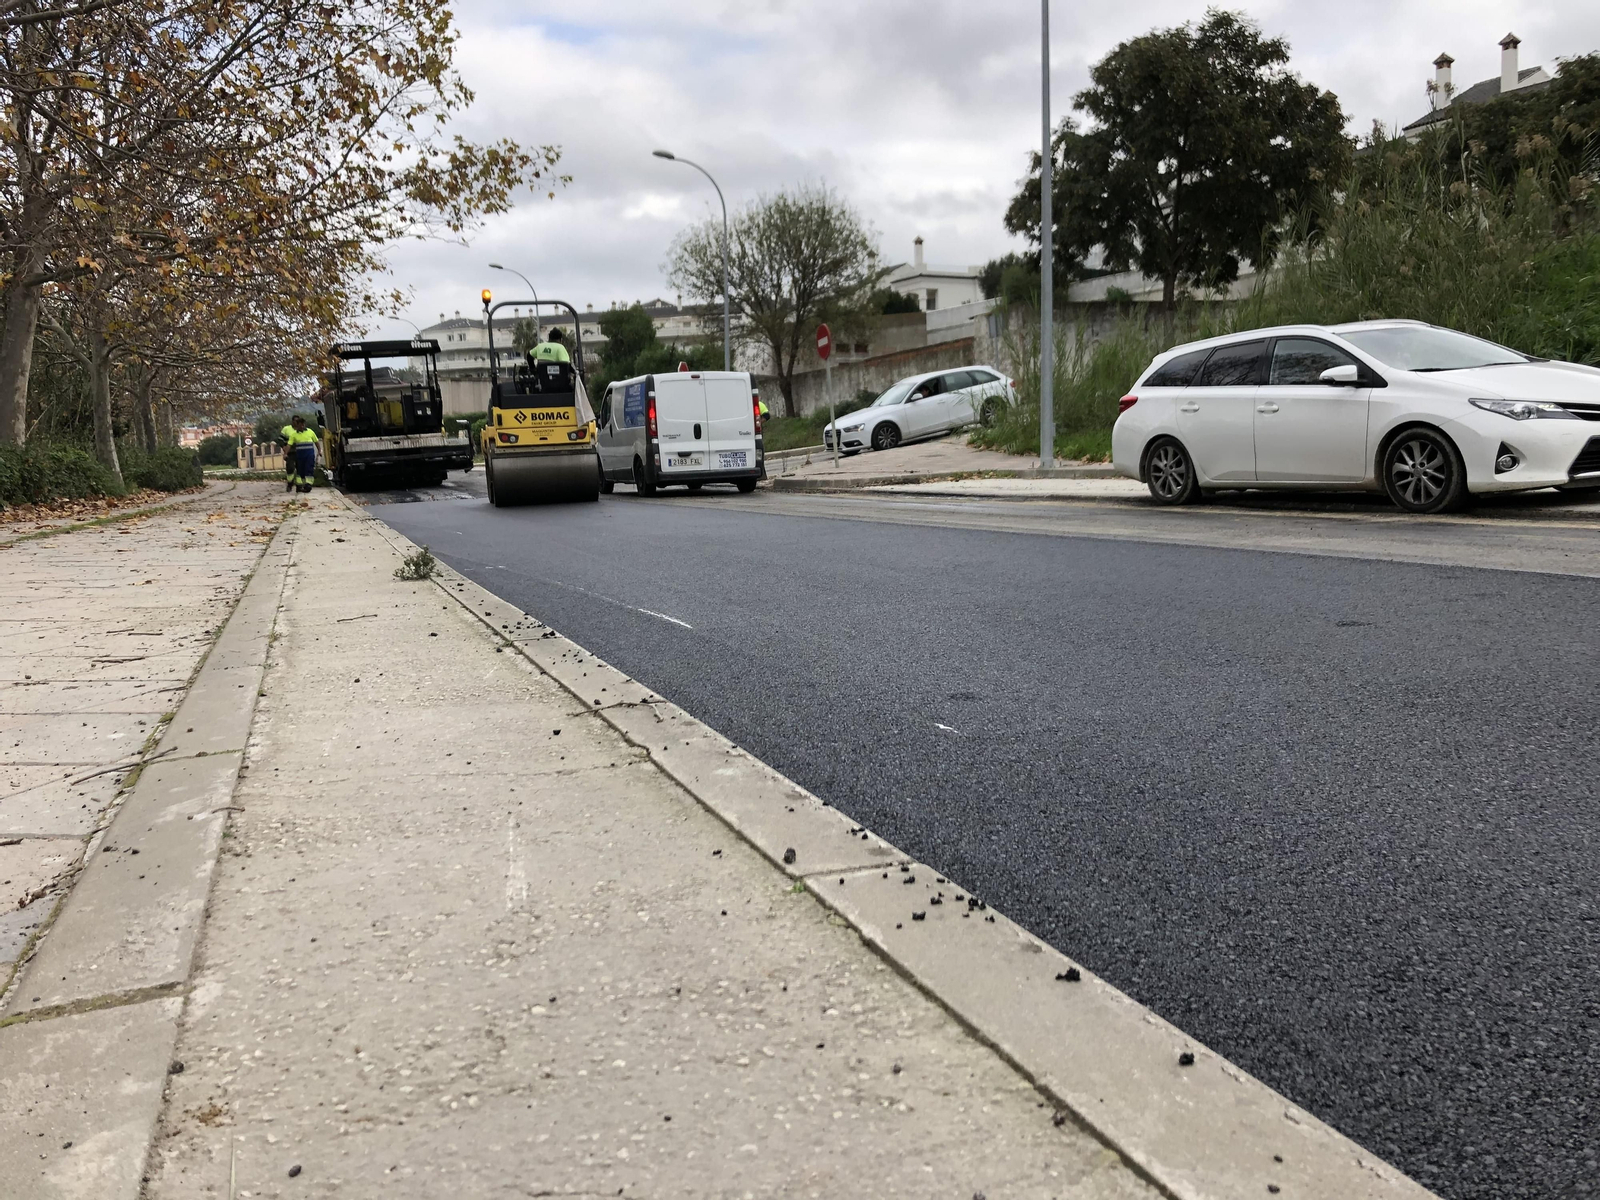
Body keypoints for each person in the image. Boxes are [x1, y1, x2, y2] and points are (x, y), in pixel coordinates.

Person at [284, 414, 320, 494]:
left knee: (309, 468)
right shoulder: (294, 435)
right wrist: (285, 453)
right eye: (300, 425)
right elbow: (289, 445)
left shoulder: (310, 432)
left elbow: (316, 442)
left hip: (309, 454)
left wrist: (319, 451)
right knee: (301, 470)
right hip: (300, 456)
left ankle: (308, 485)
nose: (302, 426)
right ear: (298, 425)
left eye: (303, 424)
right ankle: (301, 485)